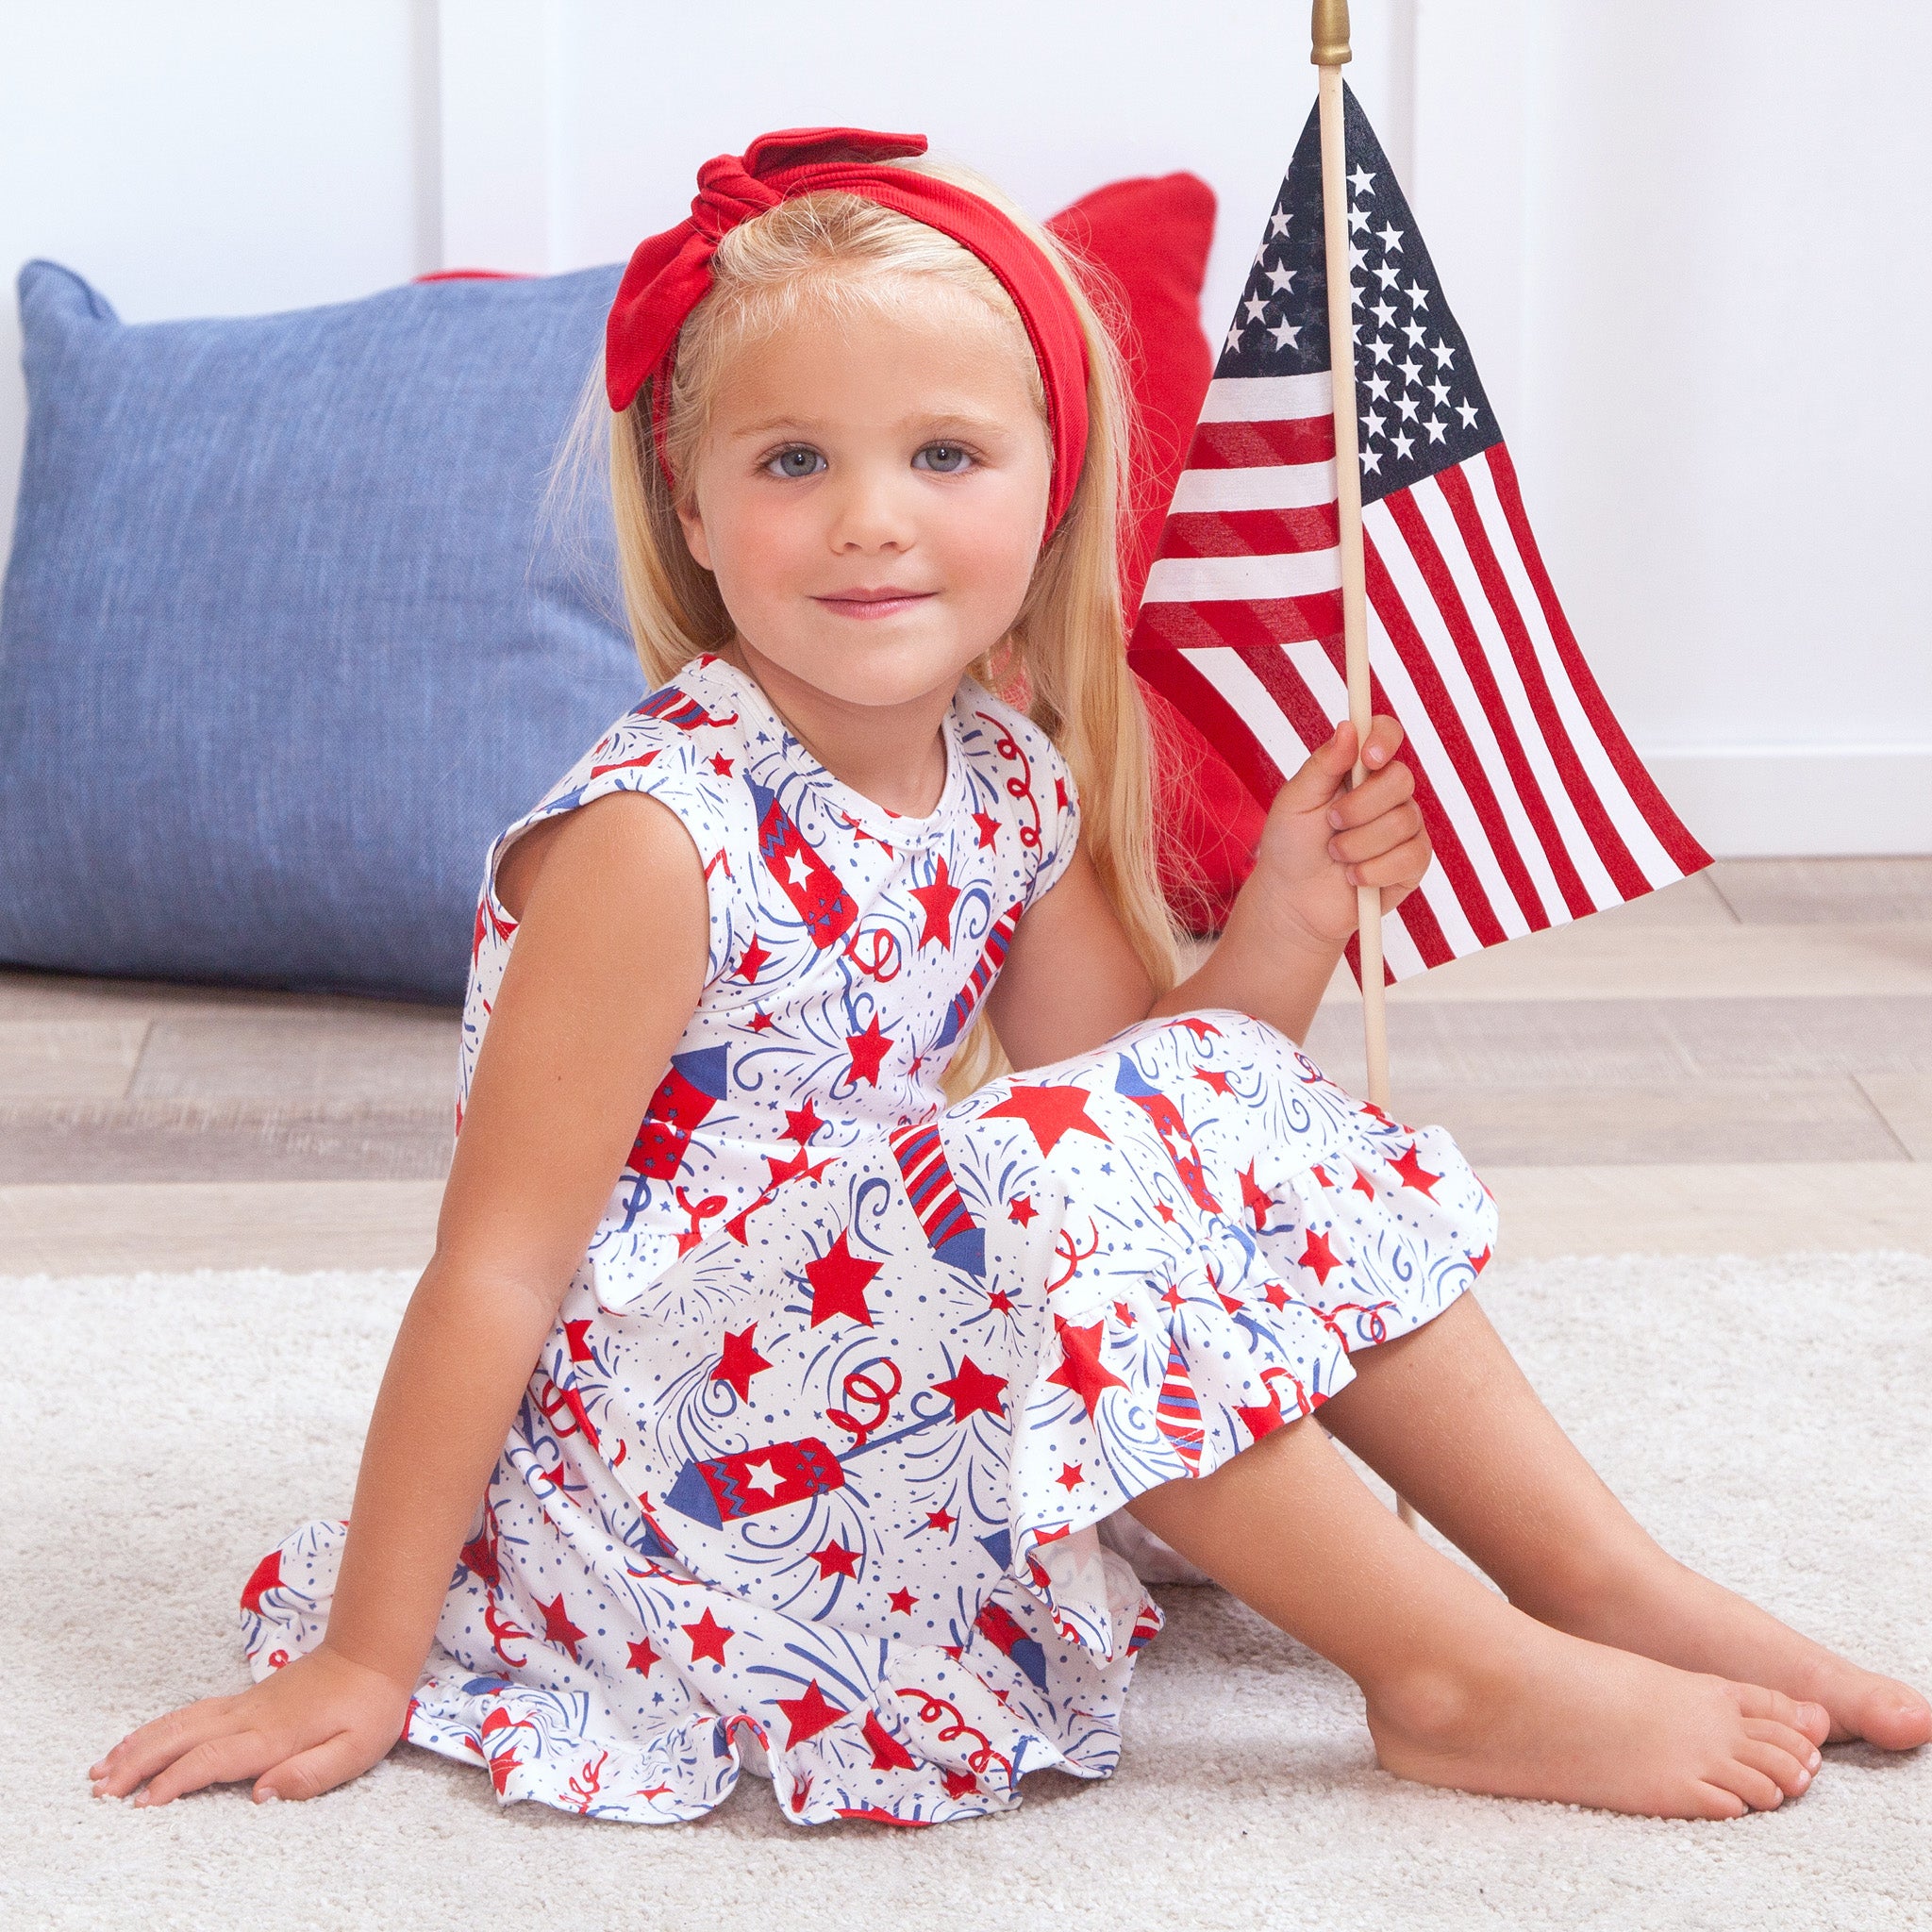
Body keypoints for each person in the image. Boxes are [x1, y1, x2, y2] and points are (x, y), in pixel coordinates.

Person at [89, 127, 1928, 1829]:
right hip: (681, 1455)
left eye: (943, 455)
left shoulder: (1010, 776)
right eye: (793, 460)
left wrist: (1282, 917)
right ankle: (1445, 1670)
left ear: (1053, 490)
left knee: (1144, 1113)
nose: (871, 517)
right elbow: (493, 1267)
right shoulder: (654, 835)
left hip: (899, 1340)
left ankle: (1590, 1576)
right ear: (696, 506)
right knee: (1033, 1175)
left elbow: (1164, 1100)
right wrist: (367, 1653)